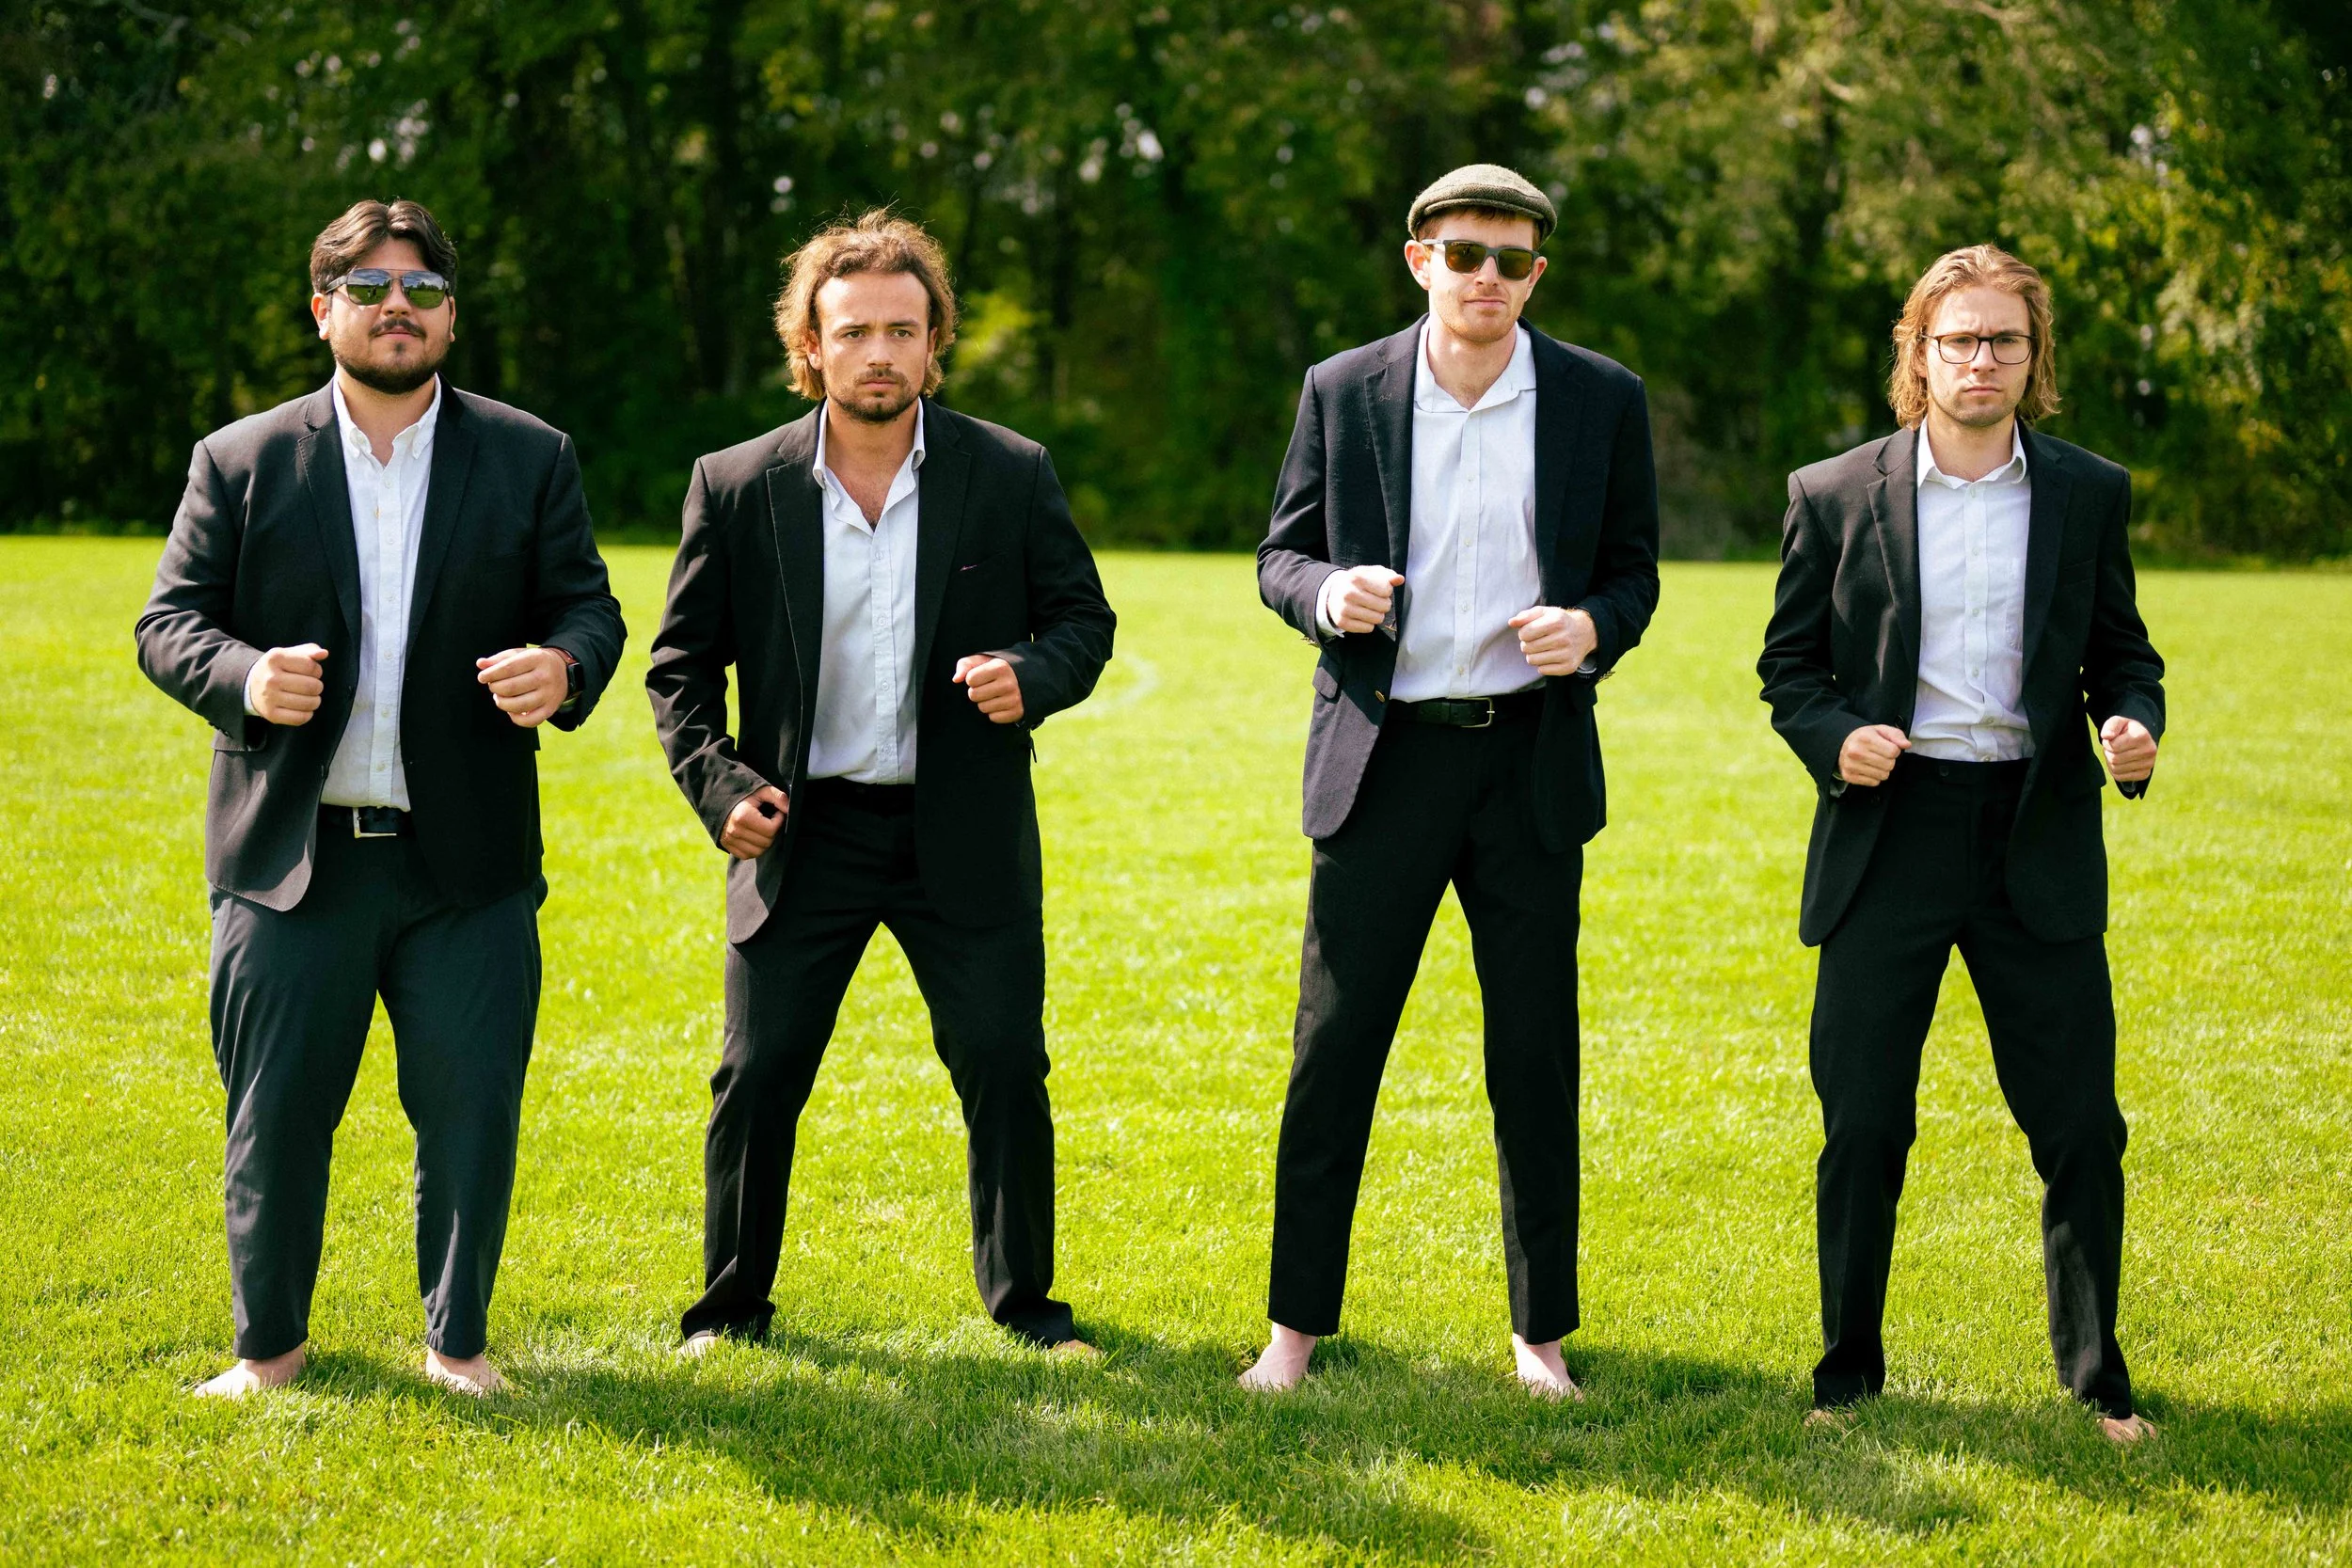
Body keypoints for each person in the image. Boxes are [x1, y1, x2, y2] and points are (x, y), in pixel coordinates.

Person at [136, 198, 627, 1398]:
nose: (393, 307)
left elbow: (591, 611)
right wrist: (246, 674)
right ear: (324, 310)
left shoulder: (528, 453)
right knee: (276, 1119)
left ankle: (457, 1345)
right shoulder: (240, 458)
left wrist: (563, 665)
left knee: (469, 1118)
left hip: (467, 865)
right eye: (366, 288)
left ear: (450, 316)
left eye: (418, 289)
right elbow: (167, 624)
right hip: (291, 860)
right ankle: (270, 1352)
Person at [646, 210, 1115, 1356]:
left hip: (963, 825)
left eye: (902, 330)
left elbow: (1082, 621)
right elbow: (680, 667)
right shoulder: (740, 482)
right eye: (852, 331)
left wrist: (1031, 676)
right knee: (756, 1073)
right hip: (802, 830)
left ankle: (1027, 1308)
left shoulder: (1007, 473)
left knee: (1005, 1059)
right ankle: (730, 1307)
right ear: (809, 344)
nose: (878, 354)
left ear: (934, 341)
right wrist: (720, 788)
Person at [1243, 165, 1661, 1395]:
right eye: (1467, 253)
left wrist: (1593, 628)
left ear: (1539, 273)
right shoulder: (1345, 388)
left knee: (1534, 1051)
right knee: (1335, 1049)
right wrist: (1328, 593)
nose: (1489, 278)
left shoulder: (1597, 398)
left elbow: (1633, 573)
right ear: (1419, 256)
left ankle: (1541, 1335)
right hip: (1384, 756)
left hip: (1528, 758)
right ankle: (1293, 1331)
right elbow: (1281, 552)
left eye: (1514, 259)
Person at [1757, 244, 2166, 1443]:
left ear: (2034, 360)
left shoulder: (2087, 491)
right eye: (1957, 339)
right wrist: (1837, 738)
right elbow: (1789, 668)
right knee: (1866, 1119)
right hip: (1890, 832)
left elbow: (2119, 651)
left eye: (2003, 340)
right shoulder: (1831, 493)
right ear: (1917, 353)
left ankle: (2096, 1379)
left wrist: (2131, 718)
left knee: (2081, 1121)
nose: (1979, 359)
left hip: (2032, 832)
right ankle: (1846, 1376)